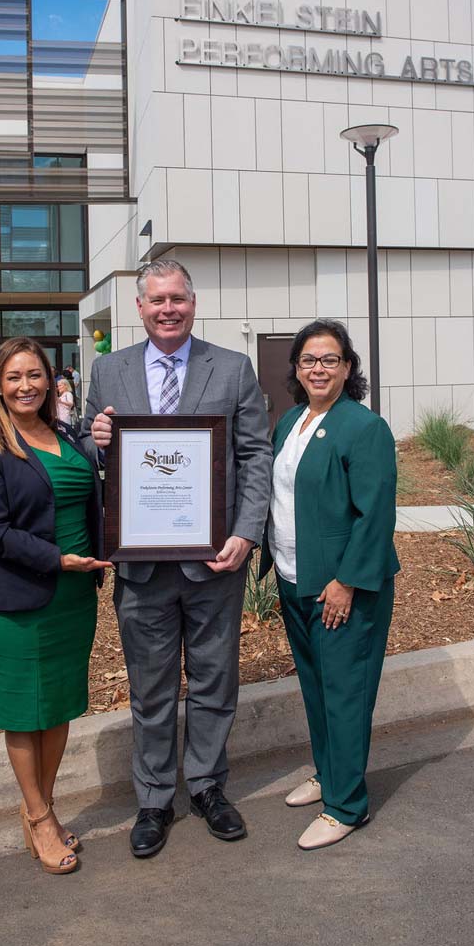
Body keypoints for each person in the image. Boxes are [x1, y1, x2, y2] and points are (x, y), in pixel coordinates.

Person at [85, 258, 272, 859]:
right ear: (138, 308)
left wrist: (246, 533)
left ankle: (209, 787)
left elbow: (254, 457)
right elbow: (88, 453)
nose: (168, 309)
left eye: (179, 299)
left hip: (215, 561)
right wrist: (97, 441)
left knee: (216, 680)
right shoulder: (108, 371)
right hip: (140, 568)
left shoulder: (234, 368)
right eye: (157, 300)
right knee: (151, 687)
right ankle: (154, 798)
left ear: (194, 303)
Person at [0, 337, 110, 875]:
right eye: (13, 377)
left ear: (50, 380)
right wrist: (60, 560)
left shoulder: (66, 435)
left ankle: (38, 809)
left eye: (34, 375)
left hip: (72, 598)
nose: (25, 386)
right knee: (26, 712)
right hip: (15, 601)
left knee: (60, 707)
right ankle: (41, 816)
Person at [260, 319, 399, 851]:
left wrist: (345, 582)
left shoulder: (363, 428)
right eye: (309, 360)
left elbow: (375, 515)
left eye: (330, 359)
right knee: (316, 687)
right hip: (296, 578)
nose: (318, 368)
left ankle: (347, 805)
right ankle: (328, 773)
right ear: (295, 368)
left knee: (345, 692)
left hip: (343, 586)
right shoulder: (291, 421)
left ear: (347, 368)